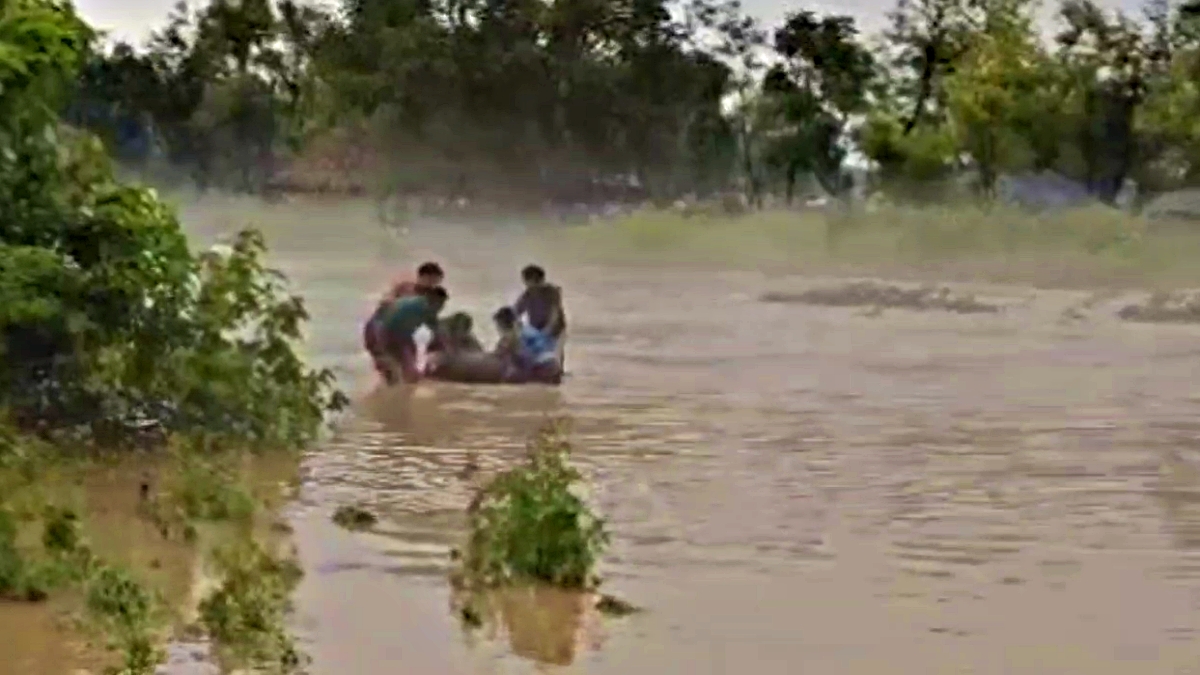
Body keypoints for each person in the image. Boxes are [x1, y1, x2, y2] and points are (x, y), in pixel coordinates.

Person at [363, 262, 444, 379]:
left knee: (405, 371)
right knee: (390, 370)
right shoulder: (406, 289)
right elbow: (386, 302)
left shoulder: (429, 298)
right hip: (379, 331)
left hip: (400, 335)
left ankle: (393, 393)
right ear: (423, 277)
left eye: (437, 281)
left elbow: (430, 323)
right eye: (433, 280)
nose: (434, 284)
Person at [379, 286, 448, 384]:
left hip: (382, 332)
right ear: (435, 300)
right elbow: (436, 329)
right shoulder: (427, 307)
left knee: (401, 362)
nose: (442, 307)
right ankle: (405, 390)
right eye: (441, 303)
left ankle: (393, 382)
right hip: (396, 335)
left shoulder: (415, 301)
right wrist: (444, 348)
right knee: (411, 370)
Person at [512, 264, 567, 368]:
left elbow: (554, 314)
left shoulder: (552, 292)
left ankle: (559, 370)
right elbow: (515, 312)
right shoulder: (527, 294)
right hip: (537, 329)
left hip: (556, 330)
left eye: (526, 280)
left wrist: (548, 330)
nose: (525, 283)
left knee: (557, 354)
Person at [492, 306, 559, 381]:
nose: (499, 331)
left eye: (498, 327)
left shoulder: (513, 336)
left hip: (542, 368)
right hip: (554, 365)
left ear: (502, 326)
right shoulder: (528, 329)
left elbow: (498, 354)